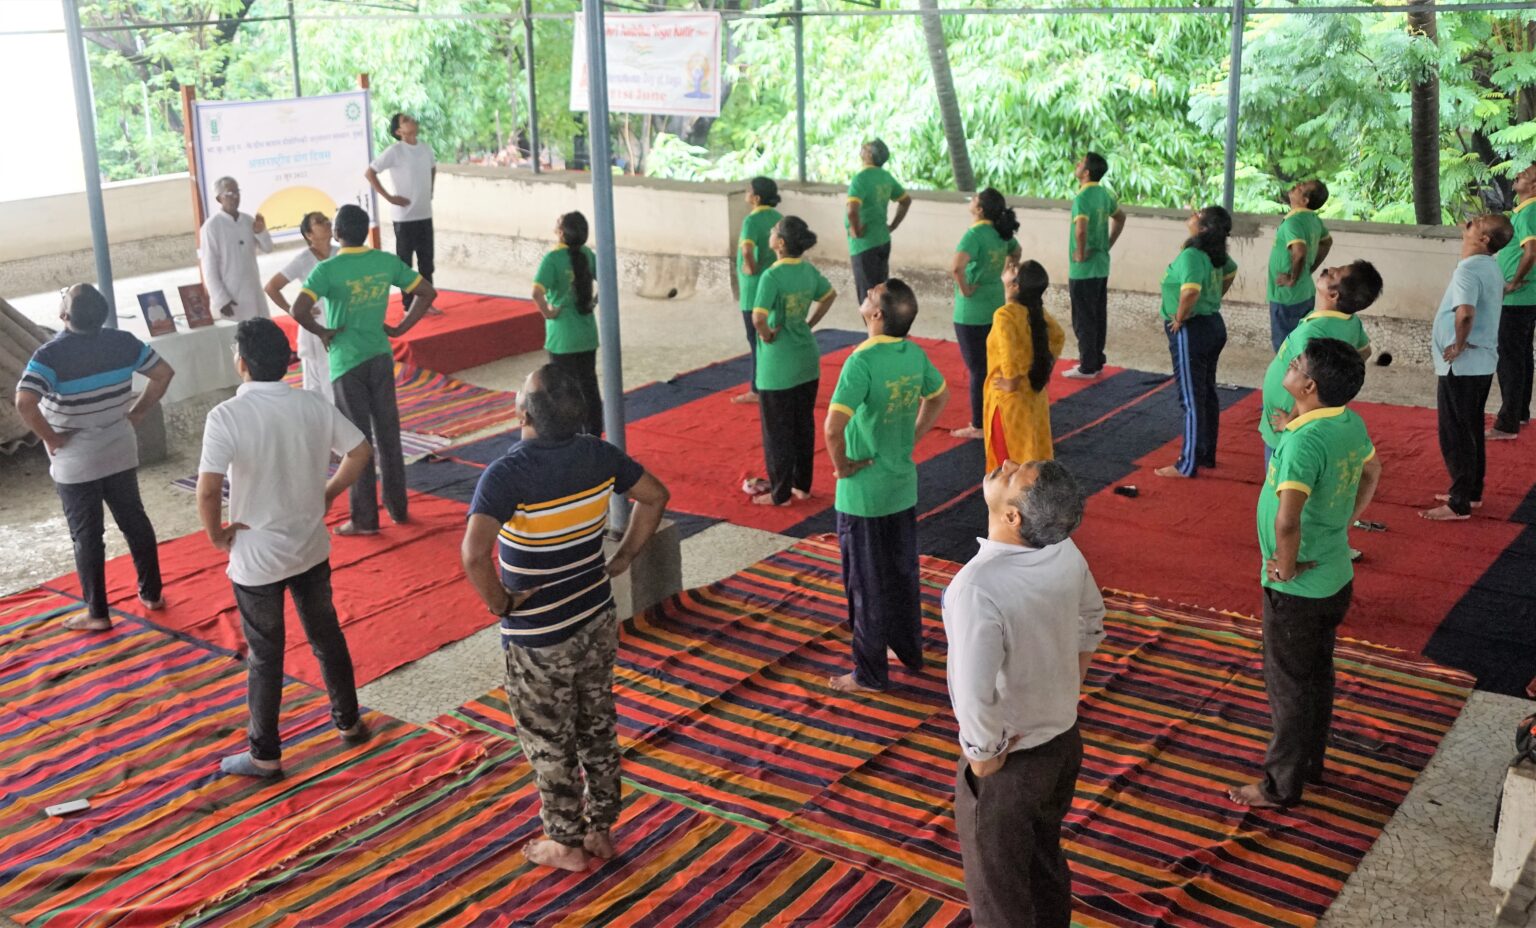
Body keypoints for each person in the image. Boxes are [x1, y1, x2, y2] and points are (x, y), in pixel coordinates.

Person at [461, 363, 670, 872]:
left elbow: (473, 554)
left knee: (549, 738)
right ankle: (601, 829)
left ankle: (565, 843)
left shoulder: (507, 474)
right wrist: (622, 557)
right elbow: (655, 496)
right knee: (596, 722)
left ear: (522, 414)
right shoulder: (599, 454)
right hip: (596, 616)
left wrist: (500, 604)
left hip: (540, 637)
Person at [197, 319, 374, 778]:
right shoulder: (311, 404)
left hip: (257, 560)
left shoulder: (227, 417)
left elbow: (207, 489)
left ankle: (265, 753)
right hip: (310, 546)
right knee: (326, 636)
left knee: (265, 654)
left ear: (241, 363)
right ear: (284, 361)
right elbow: (359, 451)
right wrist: (330, 492)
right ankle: (350, 722)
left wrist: (216, 536)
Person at [944, 458, 1103, 928]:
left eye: (1014, 475)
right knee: (1042, 861)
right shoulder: (1064, 551)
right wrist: (1065, 686)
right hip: (1062, 742)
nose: (1005, 464)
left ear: (1013, 517)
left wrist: (982, 754)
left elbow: (971, 692)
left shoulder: (977, 586)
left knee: (999, 896)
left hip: (1012, 759)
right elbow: (1091, 620)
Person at [1230, 337, 1381, 809]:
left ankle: (1280, 786)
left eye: (1294, 364)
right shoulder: (1347, 421)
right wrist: (1345, 521)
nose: (1286, 368)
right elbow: (1373, 473)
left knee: (1289, 686)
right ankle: (1308, 764)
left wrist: (1286, 565)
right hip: (1333, 575)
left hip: (1297, 588)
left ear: (1308, 385)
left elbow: (1287, 519)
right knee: (1315, 675)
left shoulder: (1303, 443)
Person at [14, 284, 174, 630]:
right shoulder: (123, 342)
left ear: (64, 315)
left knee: (87, 535)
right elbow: (164, 374)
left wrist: (51, 436)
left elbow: (25, 402)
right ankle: (152, 594)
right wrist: (139, 412)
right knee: (135, 521)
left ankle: (97, 613)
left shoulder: (50, 355)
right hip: (119, 449)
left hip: (75, 461)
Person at [824, 279, 949, 693]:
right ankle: (908, 650)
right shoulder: (912, 353)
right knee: (900, 573)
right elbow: (938, 396)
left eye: (870, 295)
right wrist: (912, 435)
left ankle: (869, 674)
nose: (864, 297)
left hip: (862, 494)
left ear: (876, 314)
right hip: (901, 485)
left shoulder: (860, 362)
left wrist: (842, 467)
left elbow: (832, 429)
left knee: (864, 584)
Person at [290, 204, 438, 535]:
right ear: (366, 232)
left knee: (357, 443)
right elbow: (427, 292)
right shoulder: (384, 262)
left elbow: (298, 309)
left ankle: (365, 519)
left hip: (346, 363)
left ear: (338, 234)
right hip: (380, 356)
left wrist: (322, 332)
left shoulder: (327, 269)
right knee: (388, 436)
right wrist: (401, 329)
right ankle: (399, 510)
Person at [1420, 213, 1515, 521]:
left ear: (1484, 239)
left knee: (1456, 433)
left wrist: (1458, 344)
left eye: (1477, 222)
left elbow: (1465, 313)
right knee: (1470, 426)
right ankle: (1470, 492)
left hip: (1462, 365)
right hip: (1480, 362)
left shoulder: (1470, 270)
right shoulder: (1489, 266)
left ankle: (1459, 502)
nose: (1470, 220)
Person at [749, 216, 837, 506]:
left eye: (775, 231)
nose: (771, 233)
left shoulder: (771, 276)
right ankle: (802, 485)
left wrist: (767, 335)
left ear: (781, 243)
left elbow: (758, 318)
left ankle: (781, 494)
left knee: (777, 432)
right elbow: (829, 295)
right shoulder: (807, 270)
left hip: (778, 366)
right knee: (802, 425)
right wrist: (809, 322)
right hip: (806, 358)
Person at [1260, 261, 1381, 466]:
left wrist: (1290, 420)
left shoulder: (1313, 332)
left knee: (1280, 469)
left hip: (1290, 418)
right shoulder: (1349, 321)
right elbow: (1364, 351)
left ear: (1334, 296)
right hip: (1305, 412)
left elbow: (1306, 375)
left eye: (1334, 275)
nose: (1329, 269)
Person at [1155, 206, 1237, 479]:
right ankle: (1205, 454)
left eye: (1197, 215)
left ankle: (1187, 464)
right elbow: (1230, 272)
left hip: (1192, 329)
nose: (1191, 215)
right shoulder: (1216, 255)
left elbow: (1190, 291)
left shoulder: (1192, 255)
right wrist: (1213, 300)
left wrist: (1179, 317)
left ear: (1202, 228)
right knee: (1206, 392)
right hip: (1213, 325)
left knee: (1191, 398)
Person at [950, 188, 1022, 439]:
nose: (971, 201)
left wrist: (966, 289)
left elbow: (957, 267)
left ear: (979, 210)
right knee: (992, 363)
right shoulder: (1000, 232)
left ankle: (978, 424)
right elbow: (1016, 251)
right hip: (994, 303)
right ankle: (997, 412)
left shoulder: (974, 235)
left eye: (974, 199)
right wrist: (1007, 270)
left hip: (971, 311)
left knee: (977, 369)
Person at [984, 260, 1064, 471]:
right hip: (1033, 395)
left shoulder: (1005, 315)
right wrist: (1043, 368)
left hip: (1010, 403)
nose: (1009, 265)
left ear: (1015, 285)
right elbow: (1058, 337)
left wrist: (1011, 380)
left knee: (1010, 464)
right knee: (1033, 455)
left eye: (1013, 269)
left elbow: (1009, 353)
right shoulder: (1035, 312)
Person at [533, 212, 603, 436]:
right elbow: (607, 280)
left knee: (564, 391)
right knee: (589, 386)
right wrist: (593, 302)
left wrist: (548, 313)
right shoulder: (587, 255)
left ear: (561, 233)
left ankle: (570, 436)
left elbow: (536, 293)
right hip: (587, 332)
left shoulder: (552, 259)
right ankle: (594, 432)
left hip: (562, 335)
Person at [1064, 152, 1125, 380]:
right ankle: (1097, 359)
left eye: (1080, 163)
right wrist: (1107, 243)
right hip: (1101, 266)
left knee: (1083, 318)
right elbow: (1121, 218)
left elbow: (1080, 229)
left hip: (1084, 269)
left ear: (1086, 172)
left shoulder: (1082, 198)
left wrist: (1080, 254)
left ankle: (1087, 366)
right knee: (1098, 314)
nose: (1077, 165)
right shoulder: (1103, 194)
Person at [264, 211, 338, 401]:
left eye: (325, 219)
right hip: (315, 325)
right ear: (309, 235)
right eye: (318, 222)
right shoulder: (304, 259)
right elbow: (272, 287)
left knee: (337, 378)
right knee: (318, 382)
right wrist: (292, 310)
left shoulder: (340, 253)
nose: (326, 222)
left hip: (338, 322)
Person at [1489, 163, 1536, 440]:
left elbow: (1530, 252)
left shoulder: (1528, 212)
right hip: (1526, 298)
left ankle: (1507, 423)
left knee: (1509, 358)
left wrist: (1514, 281)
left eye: (1525, 175)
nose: (1517, 176)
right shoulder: (1523, 212)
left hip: (1518, 298)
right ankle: (1519, 412)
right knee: (1521, 356)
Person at [366, 112, 437, 283]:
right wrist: (389, 198)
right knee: (405, 263)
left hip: (424, 213)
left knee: (426, 261)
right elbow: (370, 173)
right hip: (405, 217)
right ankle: (408, 305)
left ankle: (427, 300)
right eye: (406, 121)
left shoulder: (425, 148)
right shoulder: (395, 151)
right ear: (399, 132)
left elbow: (433, 168)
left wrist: (430, 190)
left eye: (411, 118)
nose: (412, 121)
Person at [1266, 180, 1334, 350]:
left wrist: (1292, 278)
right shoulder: (1313, 220)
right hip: (1304, 291)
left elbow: (1300, 251)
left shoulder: (1293, 222)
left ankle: (1287, 375)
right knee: (1300, 341)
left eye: (1301, 187)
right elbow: (1327, 242)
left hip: (1287, 295)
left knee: (1285, 346)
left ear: (1305, 201)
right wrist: (1309, 268)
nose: (1296, 186)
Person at [733, 176, 783, 405]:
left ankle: (757, 387)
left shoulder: (750, 222)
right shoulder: (778, 219)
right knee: (771, 335)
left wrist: (750, 267)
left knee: (755, 339)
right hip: (773, 283)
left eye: (748, 190)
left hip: (753, 290)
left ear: (756, 198)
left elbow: (746, 250)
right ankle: (775, 380)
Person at [845, 139, 912, 305]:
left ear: (870, 155)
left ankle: (873, 329)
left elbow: (852, 210)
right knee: (881, 290)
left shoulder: (860, 179)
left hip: (864, 243)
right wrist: (893, 225)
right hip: (882, 239)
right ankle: (885, 327)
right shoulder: (885, 177)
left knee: (868, 295)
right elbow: (905, 200)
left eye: (865, 147)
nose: (861, 149)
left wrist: (855, 229)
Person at [199, 176, 272, 320]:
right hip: (230, 298)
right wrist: (221, 299)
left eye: (237, 192)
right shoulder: (211, 227)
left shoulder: (248, 220)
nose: (235, 197)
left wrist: (261, 232)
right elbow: (208, 267)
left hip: (253, 292)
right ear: (219, 198)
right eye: (230, 194)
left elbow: (268, 248)